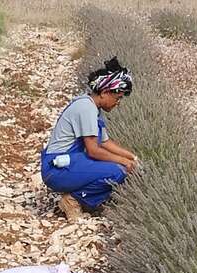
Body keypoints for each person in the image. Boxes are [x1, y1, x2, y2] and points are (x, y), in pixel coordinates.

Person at [41, 57, 137, 221]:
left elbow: (105, 143)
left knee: (121, 165)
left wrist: (132, 157)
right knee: (117, 171)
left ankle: (85, 199)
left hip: (68, 163)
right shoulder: (86, 108)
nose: (118, 103)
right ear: (105, 92)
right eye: (118, 98)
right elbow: (93, 150)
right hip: (56, 169)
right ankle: (73, 200)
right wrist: (124, 163)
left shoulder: (93, 108)